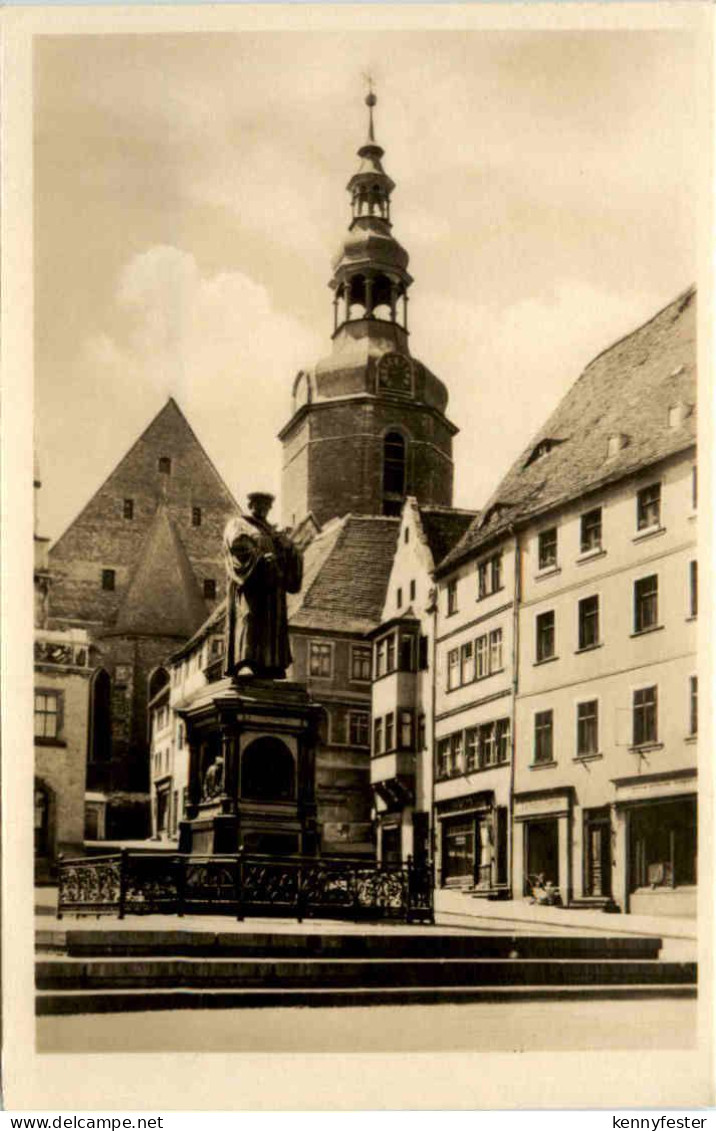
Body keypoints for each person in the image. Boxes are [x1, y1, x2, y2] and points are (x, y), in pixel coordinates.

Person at [223, 493, 303, 680]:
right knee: (249, 617)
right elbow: (237, 546)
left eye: (266, 505)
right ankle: (245, 663)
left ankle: (271, 664)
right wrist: (259, 559)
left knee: (273, 623)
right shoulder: (239, 524)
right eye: (258, 504)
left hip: (273, 587)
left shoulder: (274, 532)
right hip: (251, 584)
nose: (262, 508)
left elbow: (293, 557)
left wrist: (289, 549)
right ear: (250, 504)